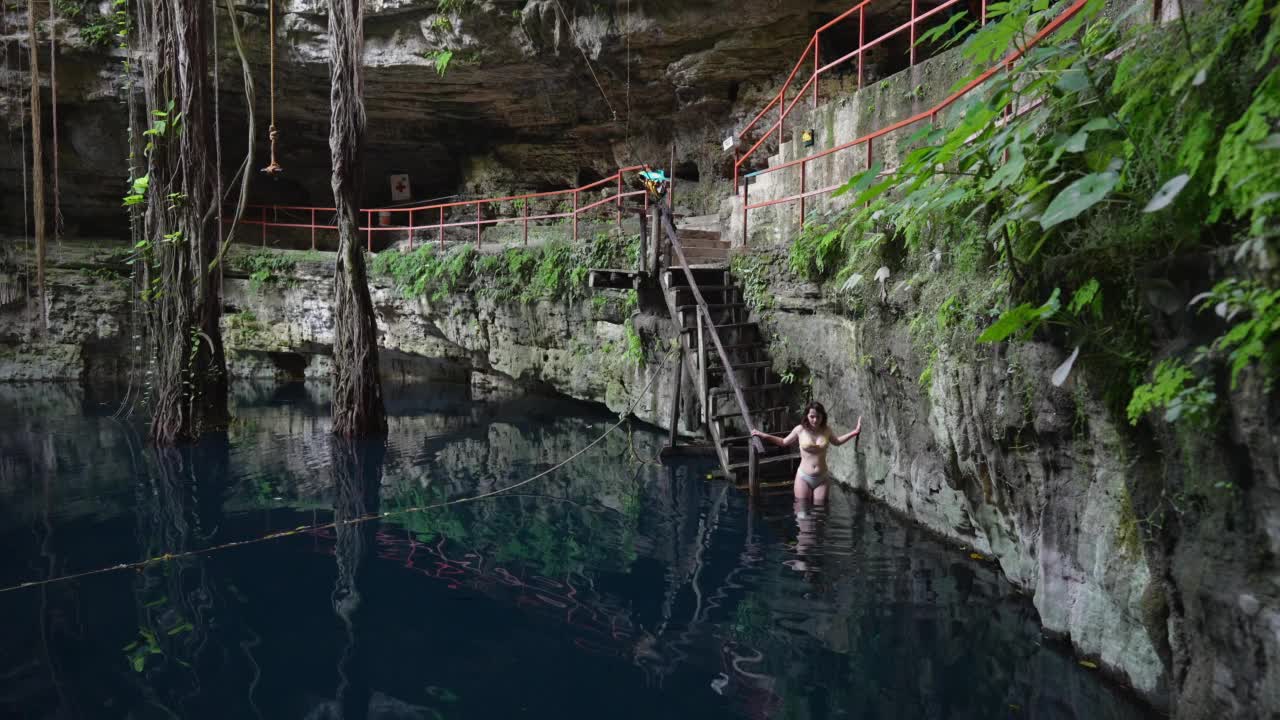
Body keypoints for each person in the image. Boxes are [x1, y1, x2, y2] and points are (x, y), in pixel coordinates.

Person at [751, 401, 861, 503]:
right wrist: (763, 435)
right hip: (804, 477)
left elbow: (836, 442)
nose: (815, 420)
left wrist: (854, 432)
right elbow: (783, 442)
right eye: (812, 416)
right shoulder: (800, 429)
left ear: (823, 417)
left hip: (822, 477)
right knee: (802, 512)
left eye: (818, 417)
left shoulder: (827, 430)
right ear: (807, 416)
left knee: (820, 513)